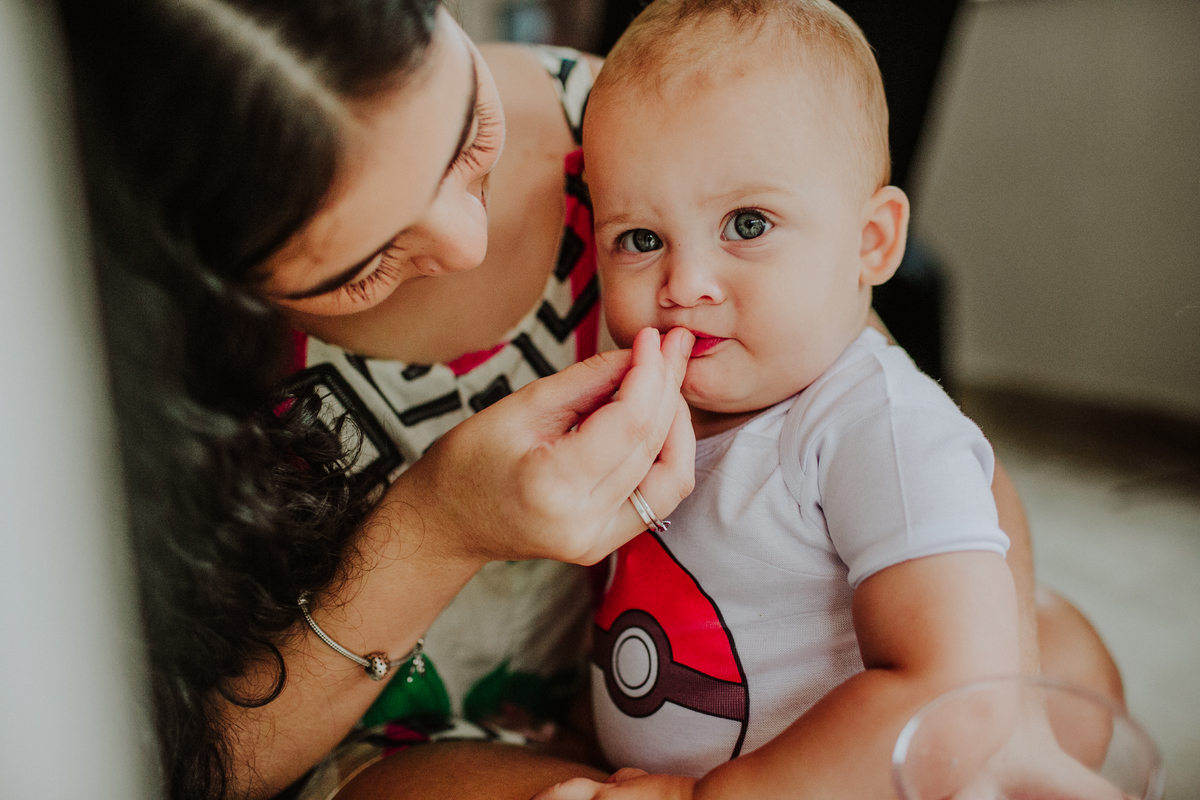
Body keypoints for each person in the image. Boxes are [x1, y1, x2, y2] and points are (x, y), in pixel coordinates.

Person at [57, 0, 1118, 799]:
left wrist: (981, 707)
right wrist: (437, 526)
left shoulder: (647, 122)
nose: (463, 245)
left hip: (739, 735)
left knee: (1060, 669)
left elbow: (920, 454)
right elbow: (187, 762)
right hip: (479, 730)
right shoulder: (120, 369)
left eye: (468, 140)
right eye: (365, 262)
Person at [533, 0, 1077, 796]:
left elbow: (957, 694)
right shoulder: (651, 403)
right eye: (641, 239)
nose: (684, 285)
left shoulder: (874, 429)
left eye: (746, 223)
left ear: (872, 243)